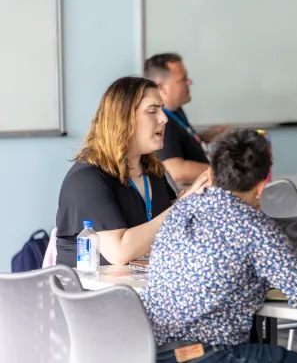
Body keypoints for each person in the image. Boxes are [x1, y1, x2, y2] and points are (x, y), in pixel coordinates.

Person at [143, 129, 297, 363]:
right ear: (261, 186)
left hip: (153, 352)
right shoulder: (255, 226)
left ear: (211, 175)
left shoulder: (181, 211)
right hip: (211, 354)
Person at [55, 76, 209, 267]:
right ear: (123, 119)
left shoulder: (153, 171)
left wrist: (196, 203)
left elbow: (168, 227)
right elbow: (119, 252)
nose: (164, 118)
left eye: (161, 109)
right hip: (92, 295)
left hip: (142, 290)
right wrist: (180, 209)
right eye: (152, 111)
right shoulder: (87, 179)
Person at [144, 53, 230, 185]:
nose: (189, 82)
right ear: (160, 87)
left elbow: (180, 144)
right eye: (182, 79)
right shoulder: (161, 122)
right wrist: (226, 171)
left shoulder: (175, 110)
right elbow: (176, 171)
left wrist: (207, 136)